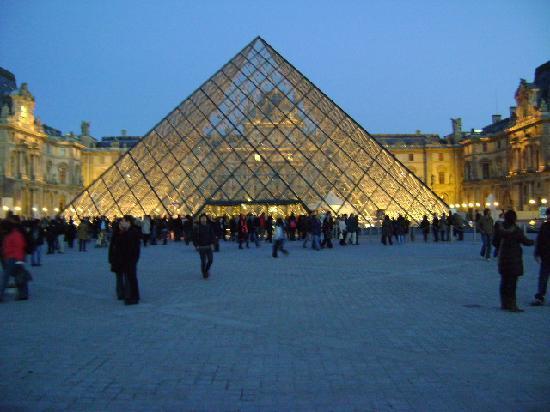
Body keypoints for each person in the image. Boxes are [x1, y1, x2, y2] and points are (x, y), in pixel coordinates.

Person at [492, 210, 534, 312]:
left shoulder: (499, 229)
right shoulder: (516, 230)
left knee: (504, 281)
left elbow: (494, 242)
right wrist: (535, 242)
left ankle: (504, 303)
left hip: (503, 258)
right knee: (512, 283)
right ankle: (512, 305)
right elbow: (525, 241)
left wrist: (500, 247)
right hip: (514, 259)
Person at [110, 215, 141, 305]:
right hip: (121, 259)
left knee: (129, 278)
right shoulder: (120, 232)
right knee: (123, 278)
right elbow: (113, 247)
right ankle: (124, 295)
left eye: (124, 221)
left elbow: (133, 248)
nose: (122, 223)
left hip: (128, 260)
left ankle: (130, 296)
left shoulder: (131, 232)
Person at [1, 219, 29, 301]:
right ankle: (23, 294)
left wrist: (19, 260)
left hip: (14, 258)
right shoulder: (10, 234)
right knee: (19, 275)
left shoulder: (14, 235)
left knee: (6, 276)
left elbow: (19, 248)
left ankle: (1, 294)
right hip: (11, 257)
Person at [531, 208, 550, 306]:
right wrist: (536, 252)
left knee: (543, 276)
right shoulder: (544, 226)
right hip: (546, 255)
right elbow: (539, 240)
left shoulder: (545, 226)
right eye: (548, 215)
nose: (548, 217)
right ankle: (540, 295)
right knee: (543, 277)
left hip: (546, 254)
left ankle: (540, 295)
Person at [193, 214, 216, 279]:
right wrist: (196, 245)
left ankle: (206, 270)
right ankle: (204, 273)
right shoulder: (197, 227)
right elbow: (194, 237)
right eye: (202, 218)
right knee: (203, 261)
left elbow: (212, 236)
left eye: (204, 218)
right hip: (201, 247)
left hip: (209, 246)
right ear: (200, 219)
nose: (203, 219)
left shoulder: (209, 226)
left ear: (206, 219)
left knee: (210, 260)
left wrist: (212, 244)